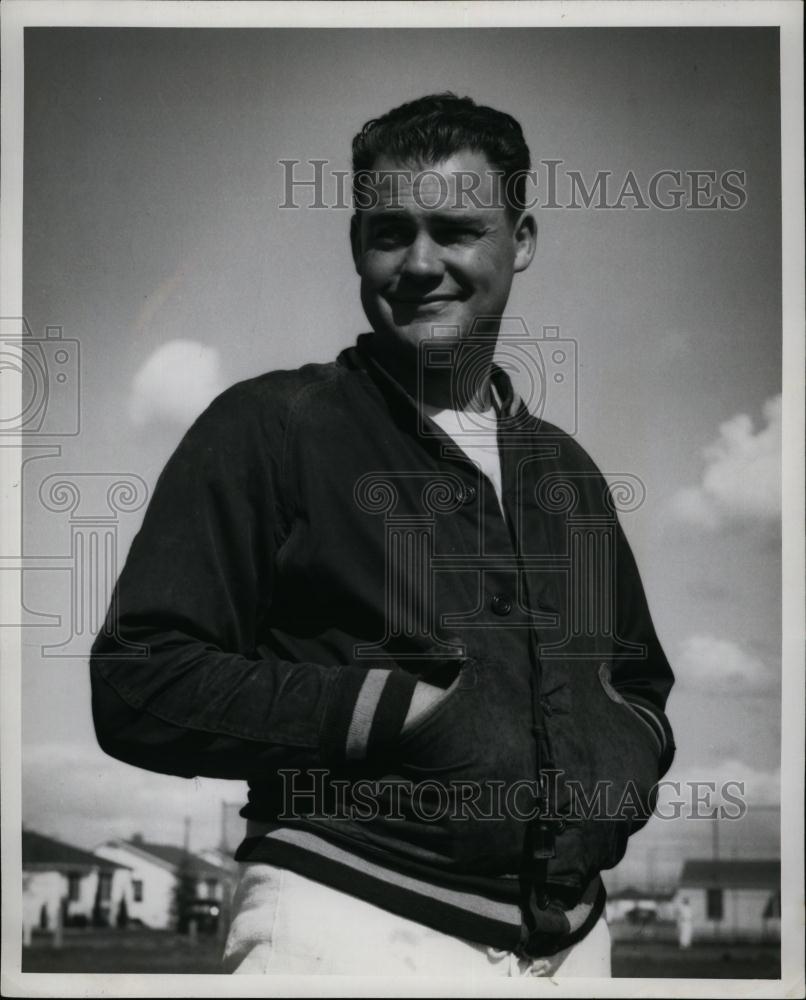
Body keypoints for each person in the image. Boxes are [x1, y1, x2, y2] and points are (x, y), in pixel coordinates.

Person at [90, 93, 675, 977]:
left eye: (456, 228)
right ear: (355, 243)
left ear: (521, 240)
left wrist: (622, 761)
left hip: (574, 943)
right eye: (389, 231)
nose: (419, 262)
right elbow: (140, 679)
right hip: (345, 919)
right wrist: (398, 714)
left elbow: (635, 679)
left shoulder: (570, 473)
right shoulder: (271, 425)